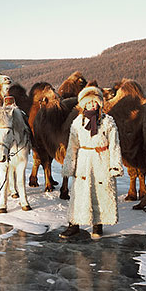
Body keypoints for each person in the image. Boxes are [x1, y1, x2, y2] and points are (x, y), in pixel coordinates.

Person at [59, 86, 123, 240]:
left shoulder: (107, 122)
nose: (92, 106)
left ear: (99, 104)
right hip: (83, 160)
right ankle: (74, 224)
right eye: (88, 103)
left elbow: (114, 144)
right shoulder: (77, 122)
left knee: (99, 192)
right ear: (84, 105)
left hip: (101, 160)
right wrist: (70, 164)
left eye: (95, 103)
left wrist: (114, 165)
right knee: (79, 193)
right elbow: (72, 145)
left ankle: (98, 224)